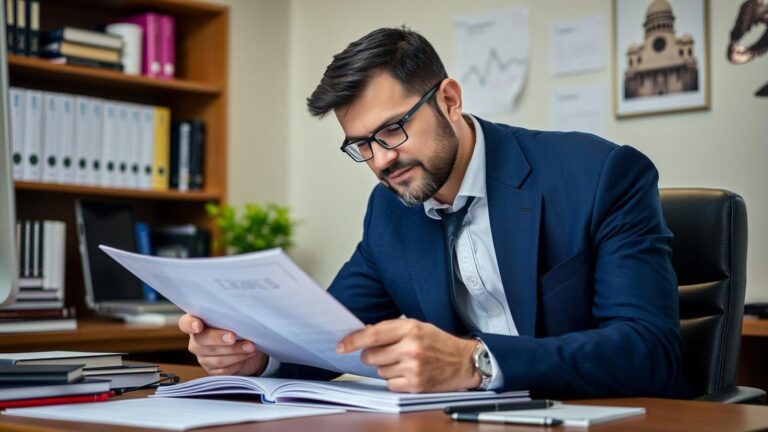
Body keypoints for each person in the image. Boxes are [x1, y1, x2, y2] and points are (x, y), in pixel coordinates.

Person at [179, 27, 692, 399]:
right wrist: (258, 356)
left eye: (392, 130)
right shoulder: (390, 210)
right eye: (360, 145)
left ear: (448, 99)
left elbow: (649, 351)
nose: (380, 160)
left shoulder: (601, 174)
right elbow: (334, 337)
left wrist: (476, 362)